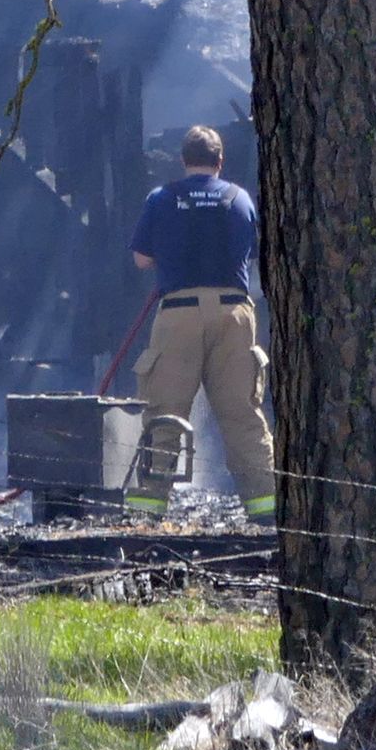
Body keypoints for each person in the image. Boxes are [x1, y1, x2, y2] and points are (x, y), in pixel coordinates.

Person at [124, 125, 277, 523]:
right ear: (220, 161)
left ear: (183, 160)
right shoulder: (239, 199)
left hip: (178, 314)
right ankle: (267, 512)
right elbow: (254, 252)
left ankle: (148, 515)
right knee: (243, 414)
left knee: (165, 414)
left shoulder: (161, 198)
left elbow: (141, 259)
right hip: (235, 316)